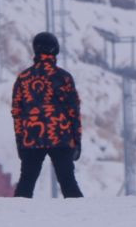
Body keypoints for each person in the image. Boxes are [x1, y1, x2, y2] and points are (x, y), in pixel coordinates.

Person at [11, 31, 83, 198]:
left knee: (25, 185)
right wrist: (76, 141)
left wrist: (20, 142)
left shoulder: (23, 78)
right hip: (60, 136)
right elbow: (74, 111)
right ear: (55, 49)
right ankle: (82, 220)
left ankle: (14, 220)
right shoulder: (64, 77)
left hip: (32, 137)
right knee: (68, 184)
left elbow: (17, 113)